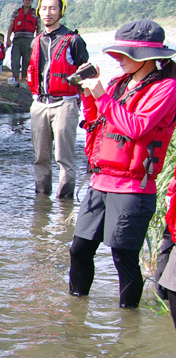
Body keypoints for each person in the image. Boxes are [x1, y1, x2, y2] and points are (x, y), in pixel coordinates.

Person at [69, 20, 176, 309]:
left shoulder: (166, 88)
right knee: (79, 249)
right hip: (100, 182)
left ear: (148, 57)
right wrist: (90, 94)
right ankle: (75, 313)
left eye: (126, 54)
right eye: (118, 53)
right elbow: (95, 124)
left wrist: (102, 95)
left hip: (133, 188)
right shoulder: (117, 83)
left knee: (123, 258)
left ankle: (128, 325)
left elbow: (137, 127)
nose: (119, 59)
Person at [26, 0, 89, 198]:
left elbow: (87, 73)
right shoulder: (36, 41)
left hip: (65, 103)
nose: (48, 12)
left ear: (61, 11)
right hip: (39, 104)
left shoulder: (73, 40)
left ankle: (65, 206)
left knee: (64, 158)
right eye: (43, 8)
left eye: (53, 8)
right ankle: (42, 202)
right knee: (40, 157)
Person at [6, 0, 40, 88]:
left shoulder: (35, 13)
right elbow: (11, 25)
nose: (27, 1)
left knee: (27, 60)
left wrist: (37, 40)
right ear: (23, 0)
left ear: (32, 1)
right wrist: (8, 38)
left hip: (29, 39)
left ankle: (23, 80)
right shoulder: (16, 12)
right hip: (17, 38)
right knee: (15, 59)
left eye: (30, 0)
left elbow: (38, 26)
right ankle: (16, 79)